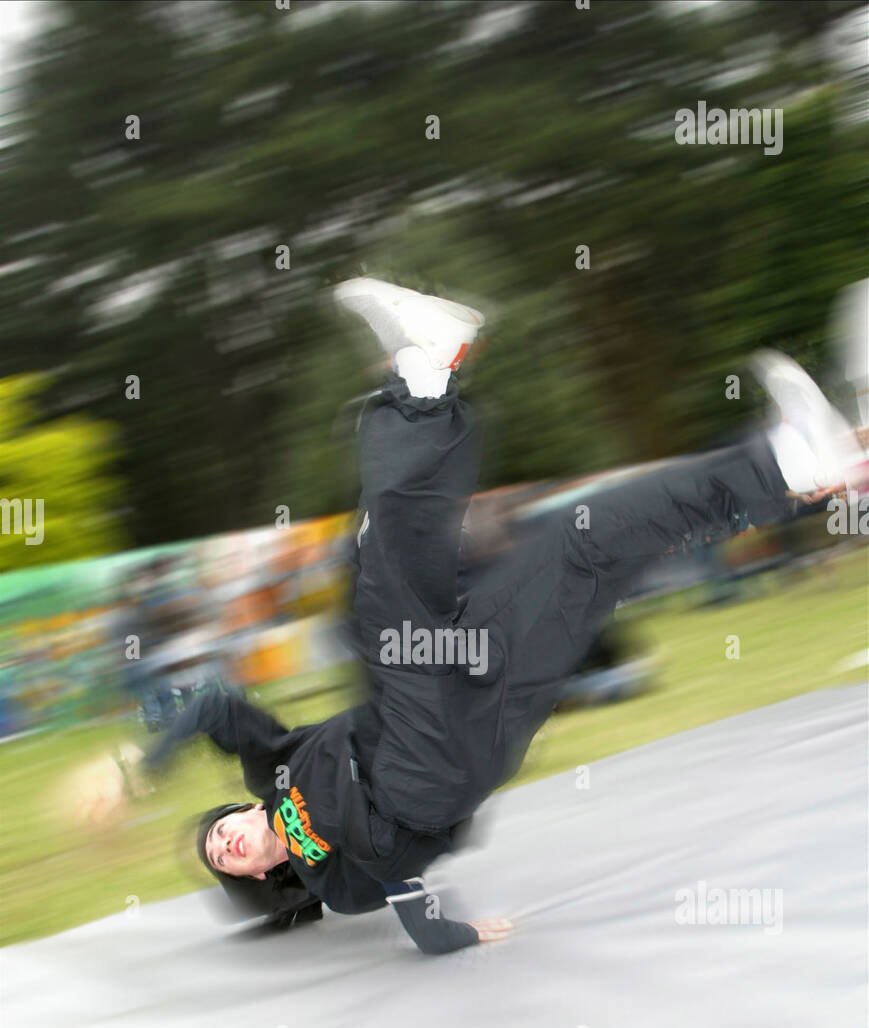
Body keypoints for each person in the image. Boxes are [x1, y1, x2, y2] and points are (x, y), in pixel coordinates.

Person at [100, 277, 862, 954]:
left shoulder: (274, 765)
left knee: (576, 542)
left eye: (218, 831)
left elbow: (211, 707)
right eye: (222, 858)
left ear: (236, 808)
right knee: (380, 596)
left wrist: (141, 767)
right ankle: (423, 381)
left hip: (447, 686)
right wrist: (454, 934)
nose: (226, 843)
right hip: (424, 775)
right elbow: (404, 887)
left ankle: (787, 466)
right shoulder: (333, 882)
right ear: (260, 879)